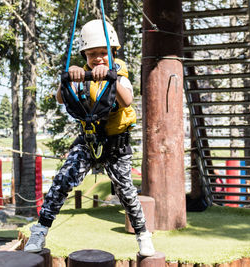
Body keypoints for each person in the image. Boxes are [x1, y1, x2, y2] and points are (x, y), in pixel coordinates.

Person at [24, 19, 155, 257]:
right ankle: (40, 230)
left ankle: (143, 235)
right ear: (84, 55)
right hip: (89, 142)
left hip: (116, 146)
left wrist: (110, 78)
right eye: (92, 54)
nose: (98, 59)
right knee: (62, 181)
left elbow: (126, 101)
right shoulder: (82, 76)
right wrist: (71, 78)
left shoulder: (119, 77)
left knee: (126, 192)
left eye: (103, 53)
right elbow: (61, 99)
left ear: (113, 53)